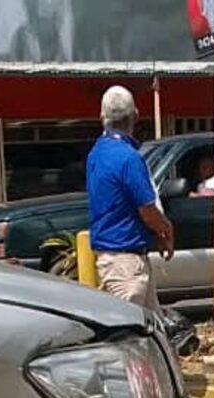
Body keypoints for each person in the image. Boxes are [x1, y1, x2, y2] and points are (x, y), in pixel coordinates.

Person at [87, 85, 174, 312]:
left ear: (101, 117)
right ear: (135, 115)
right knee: (129, 336)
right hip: (127, 264)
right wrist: (165, 229)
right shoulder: (129, 158)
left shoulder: (96, 153)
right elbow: (147, 209)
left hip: (112, 259)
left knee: (150, 335)